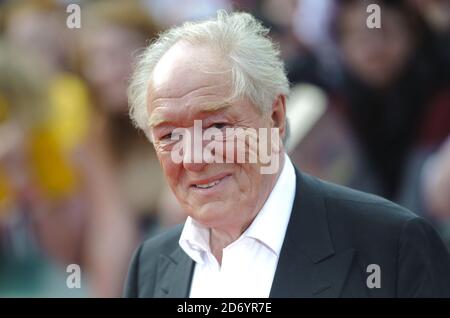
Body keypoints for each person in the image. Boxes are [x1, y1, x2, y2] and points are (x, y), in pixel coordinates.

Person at [123, 11, 450, 298]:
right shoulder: (150, 266)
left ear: (275, 117)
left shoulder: (391, 246)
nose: (192, 158)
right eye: (170, 136)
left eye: (217, 127)